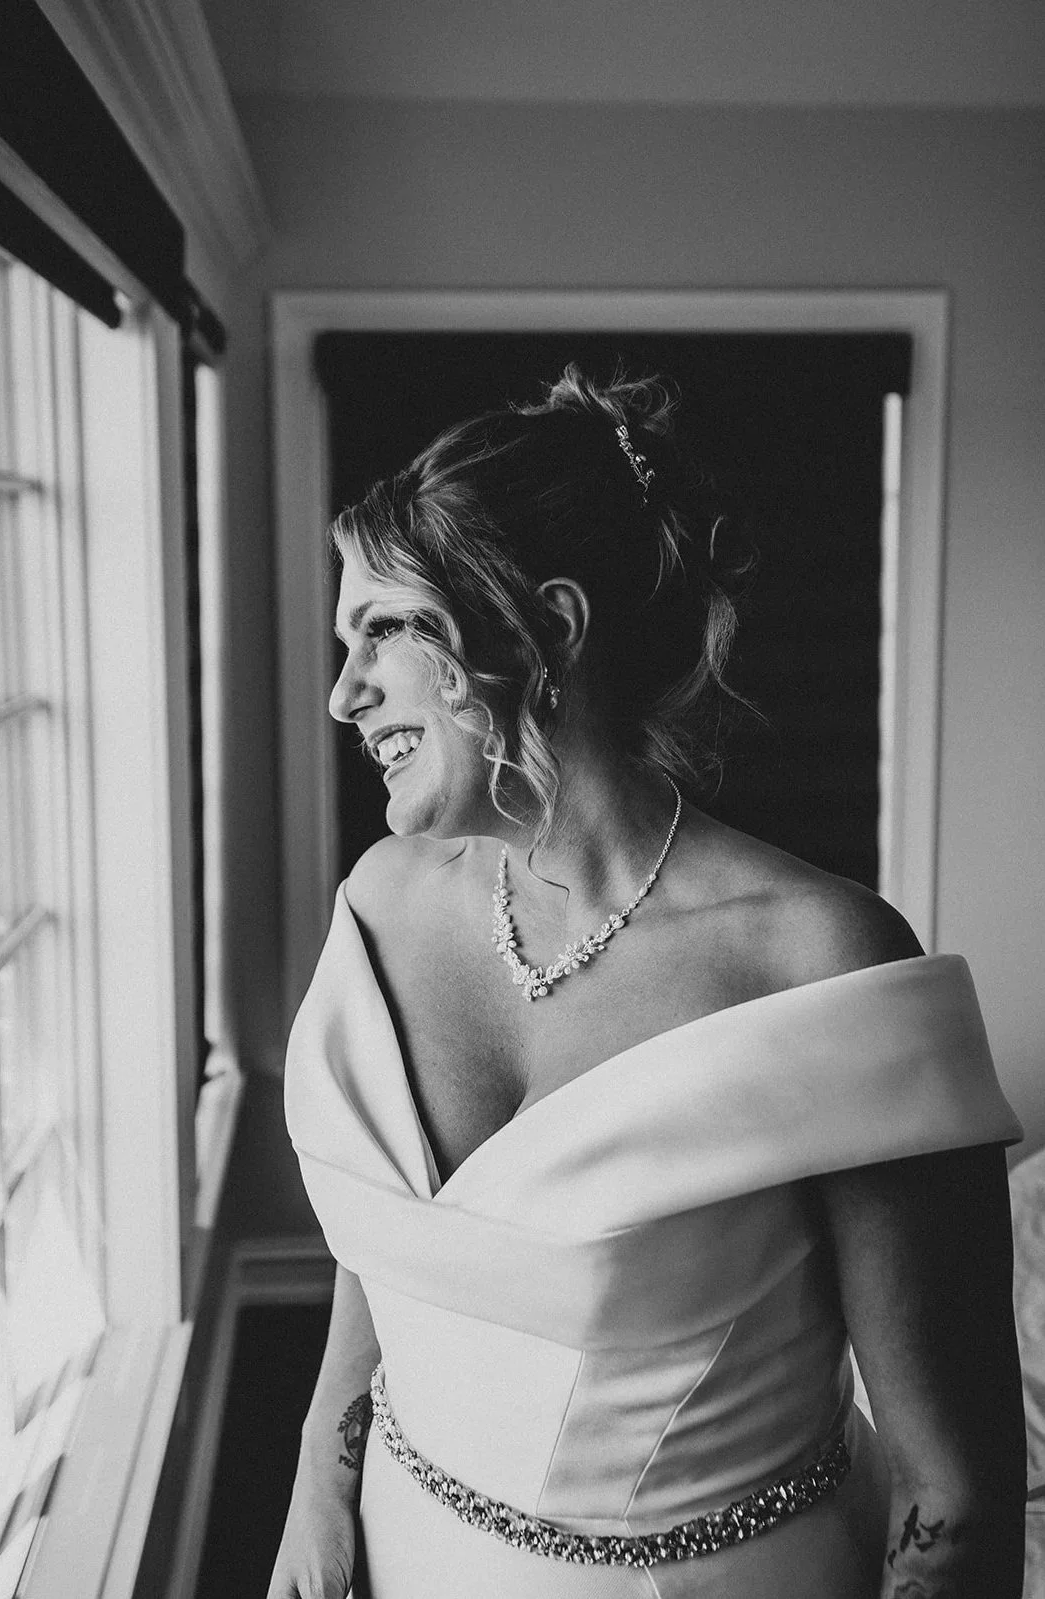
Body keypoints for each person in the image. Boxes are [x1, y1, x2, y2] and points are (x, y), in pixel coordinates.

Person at [270, 367, 1027, 1599]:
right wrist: (318, 1476)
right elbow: (391, 1239)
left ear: (541, 629)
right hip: (400, 1551)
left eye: (380, 632)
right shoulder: (380, 900)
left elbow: (954, 1494)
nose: (342, 694)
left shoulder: (820, 966)